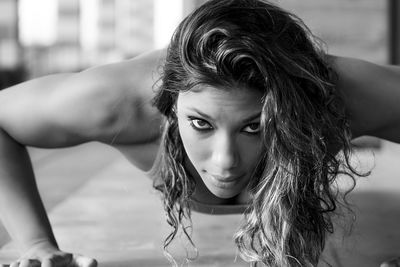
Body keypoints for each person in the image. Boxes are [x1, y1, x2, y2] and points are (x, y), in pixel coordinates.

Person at [0, 0, 399, 266]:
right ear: (170, 106)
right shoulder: (116, 102)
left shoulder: (340, 96)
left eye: (254, 127)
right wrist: (37, 245)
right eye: (201, 124)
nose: (225, 161)